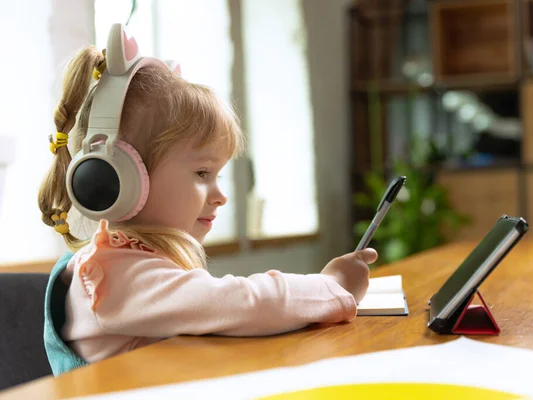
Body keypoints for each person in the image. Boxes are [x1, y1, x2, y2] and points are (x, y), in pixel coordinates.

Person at [38, 24, 377, 376]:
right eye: (202, 174)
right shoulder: (113, 278)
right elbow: (243, 303)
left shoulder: (131, 265)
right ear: (119, 178)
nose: (221, 196)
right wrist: (332, 286)